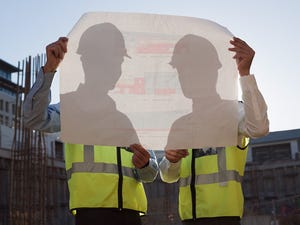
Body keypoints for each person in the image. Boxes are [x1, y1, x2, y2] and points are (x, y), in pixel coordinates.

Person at [23, 34, 159, 225]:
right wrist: (49, 71)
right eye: (109, 61)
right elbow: (34, 118)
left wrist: (145, 165)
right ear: (88, 62)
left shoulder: (130, 116)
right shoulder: (74, 106)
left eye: (118, 62)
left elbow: (151, 173)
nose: (115, 69)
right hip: (92, 215)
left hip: (131, 215)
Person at [159, 37, 269, 225]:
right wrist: (171, 160)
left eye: (193, 68)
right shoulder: (180, 124)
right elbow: (168, 176)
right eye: (182, 70)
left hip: (224, 219)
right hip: (188, 219)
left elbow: (259, 128)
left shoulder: (234, 112)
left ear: (213, 70)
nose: (186, 75)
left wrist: (245, 74)